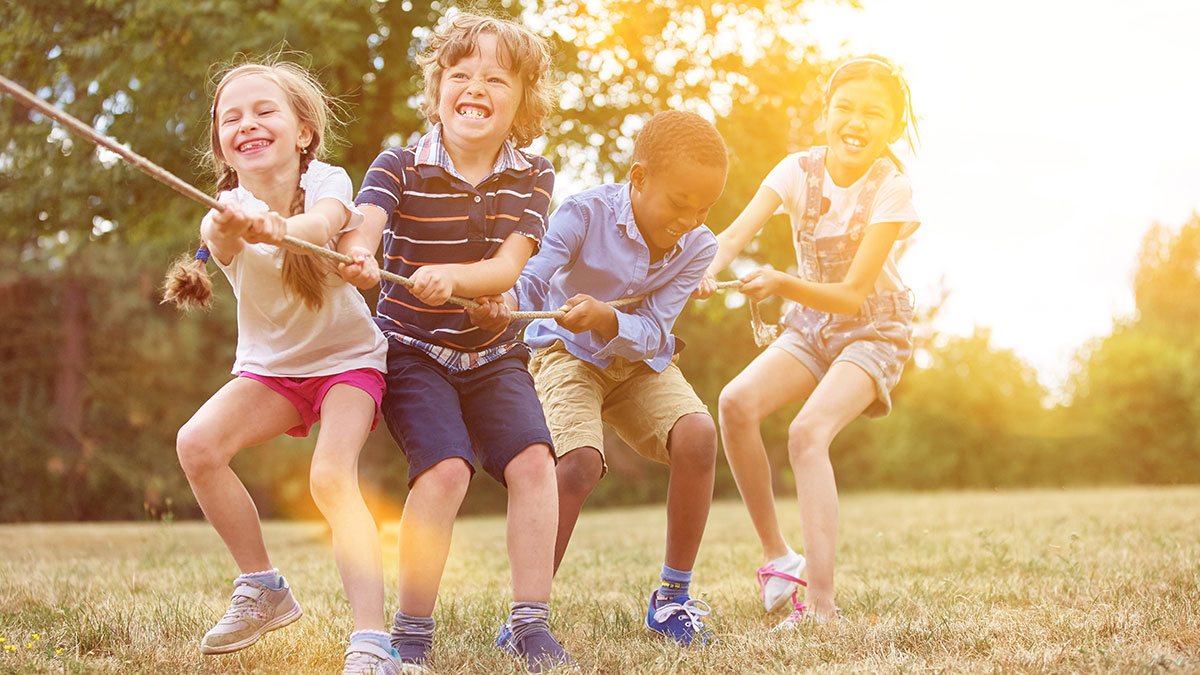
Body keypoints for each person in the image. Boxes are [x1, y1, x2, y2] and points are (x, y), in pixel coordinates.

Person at [336, 12, 567, 673]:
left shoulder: (534, 175)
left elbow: (507, 266)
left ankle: (530, 623)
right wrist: (355, 252)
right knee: (445, 470)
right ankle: (411, 635)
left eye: (497, 78)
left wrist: (458, 278)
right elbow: (366, 222)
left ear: (523, 99)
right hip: (412, 350)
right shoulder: (399, 163)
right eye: (461, 74)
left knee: (533, 465)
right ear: (438, 89)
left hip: (494, 355)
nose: (476, 87)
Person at [162, 61, 400, 673]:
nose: (247, 124)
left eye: (264, 110)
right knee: (198, 444)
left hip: (348, 362)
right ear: (220, 143)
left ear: (303, 131)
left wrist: (281, 228)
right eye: (230, 118)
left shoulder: (329, 180)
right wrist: (240, 227)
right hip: (272, 370)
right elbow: (221, 235)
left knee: (329, 477)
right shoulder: (223, 209)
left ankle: (373, 640)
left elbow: (321, 224)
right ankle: (262, 586)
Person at [469, 110, 727, 647]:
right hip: (566, 353)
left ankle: (672, 599)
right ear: (637, 177)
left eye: (703, 208)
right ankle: (525, 618)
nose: (689, 218)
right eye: (678, 203)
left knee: (699, 436)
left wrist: (609, 319)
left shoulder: (698, 245)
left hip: (637, 362)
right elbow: (535, 278)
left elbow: (656, 331)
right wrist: (505, 302)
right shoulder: (583, 213)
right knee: (579, 463)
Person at [693, 55, 921, 631]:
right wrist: (706, 267)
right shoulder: (796, 170)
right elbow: (733, 234)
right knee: (735, 403)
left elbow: (850, 294)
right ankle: (779, 559)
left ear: (892, 127)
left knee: (806, 433)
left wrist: (779, 280)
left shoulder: (892, 190)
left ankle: (820, 606)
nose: (856, 121)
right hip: (811, 327)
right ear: (825, 114)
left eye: (874, 113)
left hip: (873, 327)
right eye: (844, 107)